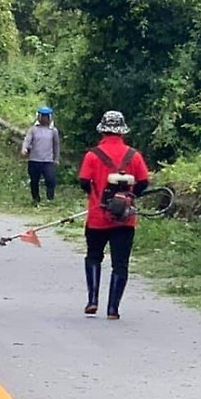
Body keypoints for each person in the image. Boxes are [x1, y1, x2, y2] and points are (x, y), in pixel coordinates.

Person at [78, 110, 149, 320]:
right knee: (120, 263)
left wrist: (96, 196)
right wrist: (128, 198)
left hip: (97, 217)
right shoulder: (134, 156)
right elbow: (144, 182)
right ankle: (113, 309)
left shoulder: (92, 155)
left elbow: (84, 181)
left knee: (93, 257)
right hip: (125, 219)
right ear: (122, 131)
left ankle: (92, 300)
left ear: (103, 130)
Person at [21, 106, 60, 205]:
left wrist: (56, 158)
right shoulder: (33, 130)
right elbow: (27, 140)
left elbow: (56, 145)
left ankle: (50, 199)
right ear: (39, 117)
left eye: (46, 117)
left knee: (50, 180)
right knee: (34, 181)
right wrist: (24, 148)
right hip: (34, 160)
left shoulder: (53, 131)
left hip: (48, 161)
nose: (44, 119)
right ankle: (35, 198)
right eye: (43, 116)